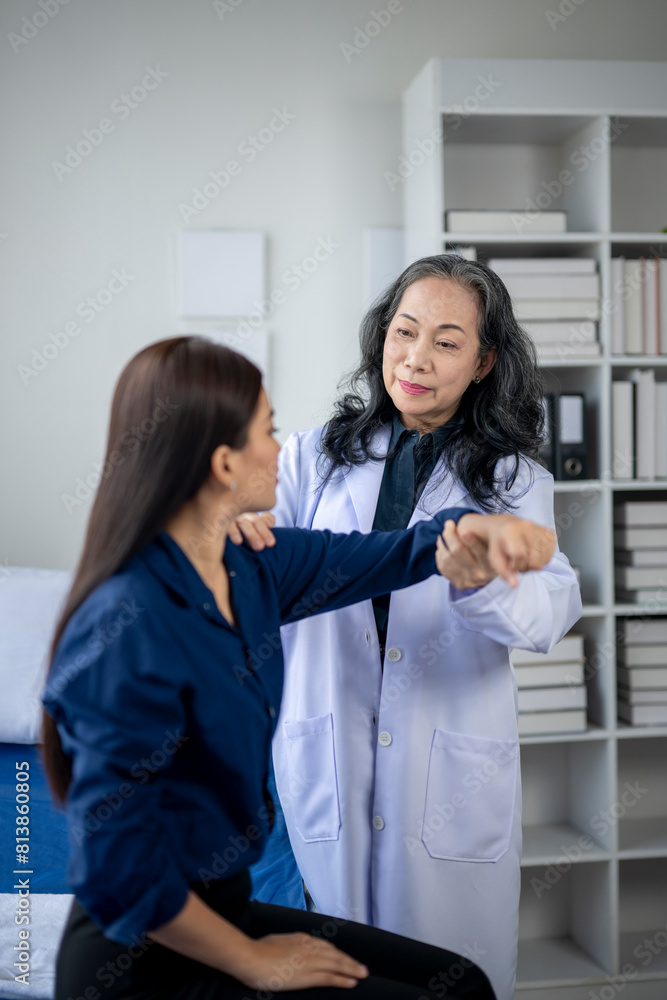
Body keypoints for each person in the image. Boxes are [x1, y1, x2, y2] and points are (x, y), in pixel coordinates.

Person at [41, 335, 557, 1000]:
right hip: (145, 955)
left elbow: (392, 554)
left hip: (224, 908)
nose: (284, 450)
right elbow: (116, 875)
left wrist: (483, 532)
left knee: (463, 984)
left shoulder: (252, 567)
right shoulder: (124, 627)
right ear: (224, 462)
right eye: (269, 430)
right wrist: (253, 961)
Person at [232, 255, 583, 1000]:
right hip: (324, 752)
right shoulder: (310, 460)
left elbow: (552, 611)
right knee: (335, 974)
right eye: (403, 332)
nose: (415, 359)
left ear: (485, 361)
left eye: (447, 342)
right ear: (380, 337)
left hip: (447, 769)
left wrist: (484, 586)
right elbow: (257, 578)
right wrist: (246, 533)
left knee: (444, 981)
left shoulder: (515, 478)